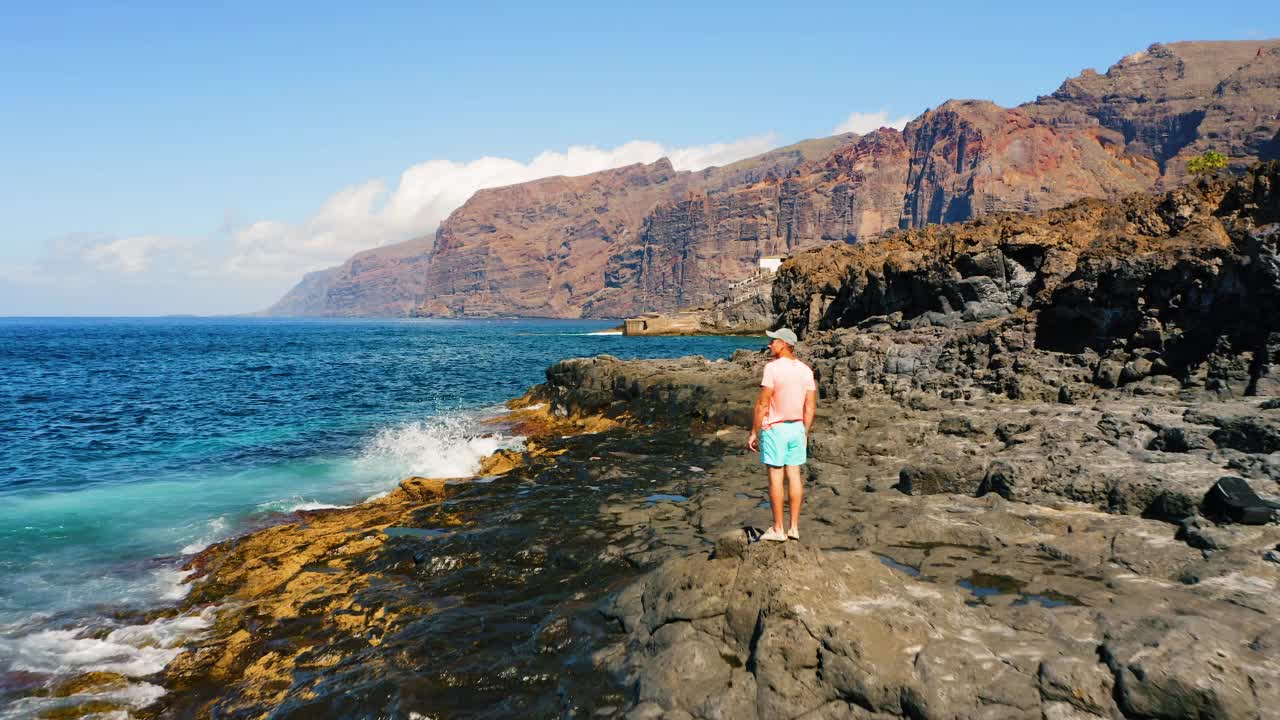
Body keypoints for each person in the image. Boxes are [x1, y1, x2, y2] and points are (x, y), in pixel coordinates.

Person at [747, 328, 816, 541]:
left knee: (776, 478)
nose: (769, 345)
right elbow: (810, 407)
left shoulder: (772, 368)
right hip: (797, 428)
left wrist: (753, 432)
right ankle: (794, 528)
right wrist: (805, 431)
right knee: (794, 475)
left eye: (773, 341)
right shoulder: (806, 370)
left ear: (784, 344)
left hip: (775, 428)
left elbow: (762, 403)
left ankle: (778, 529)